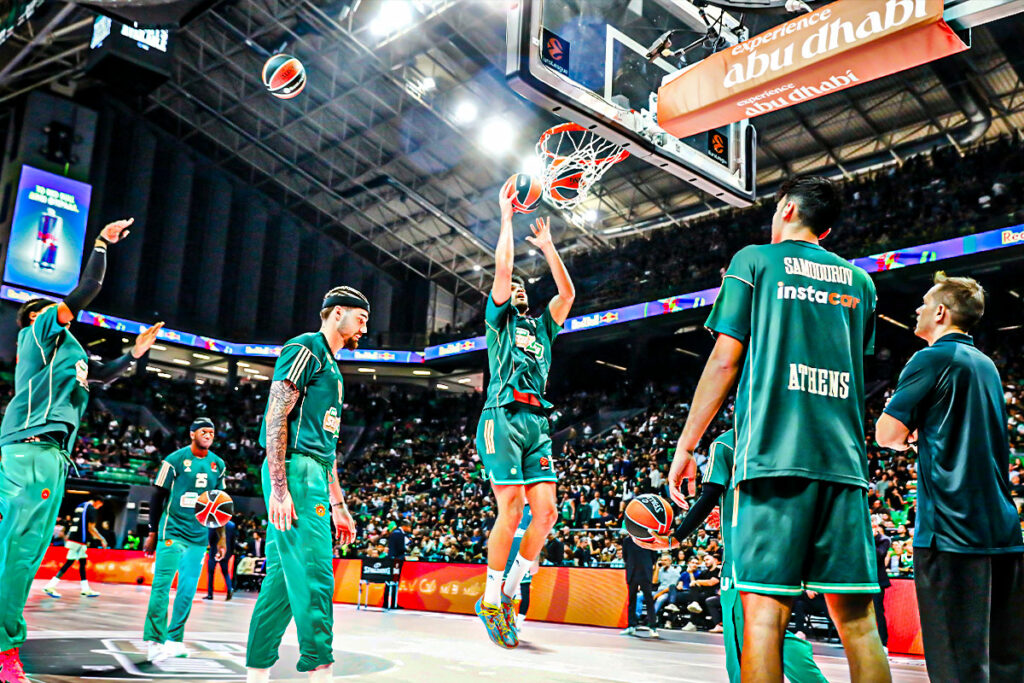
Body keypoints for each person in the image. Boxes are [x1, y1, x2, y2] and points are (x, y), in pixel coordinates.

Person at [662, 176, 889, 683]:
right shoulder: (862, 283)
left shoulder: (754, 261)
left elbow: (725, 361)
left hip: (771, 462)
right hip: (843, 466)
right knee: (859, 625)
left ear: (786, 208)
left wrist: (687, 445)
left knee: (764, 617)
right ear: (825, 230)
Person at [0, 218, 161, 681]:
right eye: (49, 309)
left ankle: (5, 643)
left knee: (25, 555)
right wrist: (102, 244)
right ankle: (4, 646)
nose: (60, 313)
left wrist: (135, 353)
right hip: (28, 449)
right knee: (15, 551)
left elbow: (103, 375)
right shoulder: (39, 334)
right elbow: (86, 290)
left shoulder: (70, 358)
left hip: (52, 457)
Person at [876, 272, 1024, 681]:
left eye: (924, 303)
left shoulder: (931, 358)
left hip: (951, 530)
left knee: (956, 666)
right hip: (1001, 530)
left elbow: (886, 433)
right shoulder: (986, 365)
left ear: (940, 312)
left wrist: (909, 438)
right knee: (1005, 664)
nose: (918, 309)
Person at [473, 181, 575, 649]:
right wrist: (506, 217)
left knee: (547, 513)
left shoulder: (543, 327)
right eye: (509, 286)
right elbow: (503, 267)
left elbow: (567, 294)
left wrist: (549, 247)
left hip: (537, 423)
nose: (513, 287)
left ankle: (510, 592)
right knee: (511, 508)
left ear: (527, 297)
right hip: (502, 416)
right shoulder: (499, 323)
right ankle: (490, 597)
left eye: (519, 287)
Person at [245, 286, 363, 683]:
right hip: (295, 471)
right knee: (316, 574)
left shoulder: (332, 368)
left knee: (280, 586)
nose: (364, 329)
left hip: (312, 470)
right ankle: (320, 670)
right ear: (337, 312)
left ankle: (255, 675)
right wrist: (280, 488)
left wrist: (339, 505)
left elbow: (327, 450)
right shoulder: (306, 347)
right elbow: (276, 415)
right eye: (361, 318)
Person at [641, 430, 826, 681]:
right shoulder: (785, 435)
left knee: (743, 647)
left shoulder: (728, 442)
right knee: (766, 631)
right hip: (780, 556)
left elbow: (709, 496)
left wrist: (676, 537)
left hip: (743, 561)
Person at [42, 496, 108, 599]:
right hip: (79, 540)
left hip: (73, 538)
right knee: (70, 562)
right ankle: (50, 586)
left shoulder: (80, 506)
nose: (99, 507)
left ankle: (85, 589)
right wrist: (102, 539)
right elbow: (91, 528)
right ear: (98, 502)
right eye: (100, 505)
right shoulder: (91, 509)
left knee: (81, 562)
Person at [621, 534, 657, 637]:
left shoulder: (649, 539)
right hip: (632, 573)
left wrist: (646, 565)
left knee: (649, 600)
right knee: (631, 600)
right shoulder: (627, 540)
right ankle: (631, 626)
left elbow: (654, 557)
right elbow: (625, 556)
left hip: (645, 573)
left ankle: (653, 627)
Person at [204, 518, 236, 601]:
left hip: (214, 551)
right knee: (225, 572)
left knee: (211, 573)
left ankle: (210, 594)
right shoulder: (231, 525)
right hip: (226, 551)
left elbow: (210, 537)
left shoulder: (214, 523)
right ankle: (230, 588)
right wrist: (230, 553)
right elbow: (233, 540)